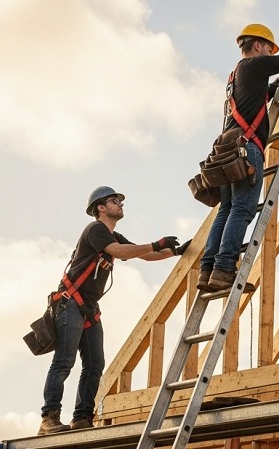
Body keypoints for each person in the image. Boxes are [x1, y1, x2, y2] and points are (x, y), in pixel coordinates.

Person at [38, 186, 185, 435]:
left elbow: (146, 254)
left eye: (120, 201)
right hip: (69, 303)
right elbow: (120, 252)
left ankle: (82, 417)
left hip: (87, 308)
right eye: (114, 201)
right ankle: (49, 418)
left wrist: (176, 251)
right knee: (64, 361)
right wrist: (156, 243)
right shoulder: (96, 230)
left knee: (95, 363)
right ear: (100, 208)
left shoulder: (113, 236)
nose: (120, 204)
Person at [198, 24, 279, 292]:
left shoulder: (237, 74)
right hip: (246, 149)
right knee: (242, 209)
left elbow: (260, 97)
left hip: (227, 151)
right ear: (258, 45)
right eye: (270, 49)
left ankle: (209, 270)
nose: (271, 54)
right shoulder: (253, 65)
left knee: (226, 209)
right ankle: (224, 268)